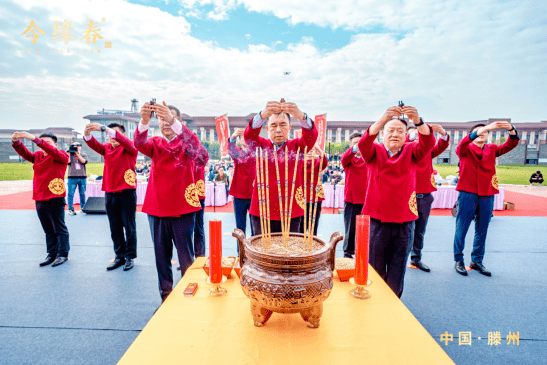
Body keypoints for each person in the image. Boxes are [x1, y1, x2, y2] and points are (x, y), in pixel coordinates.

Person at [358, 105, 434, 298]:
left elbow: (427, 142)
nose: (395, 134)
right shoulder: (374, 152)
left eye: (400, 131)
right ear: (382, 134)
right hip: (377, 222)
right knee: (375, 268)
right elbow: (364, 143)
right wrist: (383, 118)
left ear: (406, 135)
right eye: (390, 130)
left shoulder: (412, 152)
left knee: (397, 269)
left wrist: (417, 120)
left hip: (404, 222)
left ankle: (394, 306)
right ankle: (375, 305)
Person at [135, 101, 205, 302]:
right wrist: (144, 121)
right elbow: (139, 144)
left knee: (186, 259)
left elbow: (203, 156)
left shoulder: (188, 142)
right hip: (157, 209)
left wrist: (173, 120)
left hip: (182, 209)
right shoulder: (156, 143)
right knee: (161, 259)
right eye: (161, 118)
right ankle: (165, 298)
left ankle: (188, 298)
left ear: (178, 121)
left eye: (169, 117)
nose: (164, 122)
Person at [453, 121, 519, 277]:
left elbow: (512, 143)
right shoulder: (465, 148)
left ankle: (476, 261)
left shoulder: (492, 149)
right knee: (461, 228)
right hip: (467, 193)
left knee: (482, 229)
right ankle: (458, 260)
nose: (482, 133)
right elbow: (461, 144)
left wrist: (510, 129)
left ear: (489, 136)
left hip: (487, 193)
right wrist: (487, 127)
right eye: (479, 131)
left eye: (485, 132)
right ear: (472, 134)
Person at [244, 99, 318, 235]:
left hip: (292, 211)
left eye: (283, 124)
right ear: (266, 129)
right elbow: (248, 136)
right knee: (262, 253)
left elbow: (311, 137)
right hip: (262, 210)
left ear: (290, 127)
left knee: (289, 253)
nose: (278, 130)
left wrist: (301, 116)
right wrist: (262, 114)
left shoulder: (297, 147)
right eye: (273, 125)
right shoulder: (260, 145)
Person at [84, 122, 139, 271]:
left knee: (129, 227)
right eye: (110, 134)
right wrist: (87, 133)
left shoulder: (130, 147)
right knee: (115, 227)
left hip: (127, 192)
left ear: (123, 135)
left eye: (115, 133)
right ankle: (119, 256)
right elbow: (92, 143)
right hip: (110, 192)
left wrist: (104, 128)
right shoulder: (107, 148)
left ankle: (130, 256)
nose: (112, 136)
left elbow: (127, 143)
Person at [11, 132, 70, 267]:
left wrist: (35, 139)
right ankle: (51, 253)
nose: (43, 144)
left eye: (47, 142)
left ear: (55, 145)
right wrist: (16, 142)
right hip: (39, 197)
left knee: (59, 228)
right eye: (41, 142)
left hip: (55, 197)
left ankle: (63, 254)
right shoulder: (38, 156)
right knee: (48, 229)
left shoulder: (61, 155)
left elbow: (51, 150)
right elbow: (25, 153)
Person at [406, 124, 450, 272]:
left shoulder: (427, 151)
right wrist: (414, 133)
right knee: (404, 230)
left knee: (419, 231)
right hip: (407, 196)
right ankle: (399, 258)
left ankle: (416, 258)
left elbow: (441, 145)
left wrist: (442, 132)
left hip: (424, 196)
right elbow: (404, 142)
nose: (419, 136)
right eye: (415, 135)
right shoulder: (405, 149)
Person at [341, 132, 368, 258]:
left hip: (368, 200)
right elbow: (344, 158)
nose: (358, 146)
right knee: (350, 229)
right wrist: (357, 147)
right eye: (355, 143)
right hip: (352, 200)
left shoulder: (369, 159)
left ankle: (364, 252)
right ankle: (347, 253)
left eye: (360, 143)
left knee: (366, 229)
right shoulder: (348, 160)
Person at [228, 128, 256, 242]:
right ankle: (241, 255)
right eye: (242, 137)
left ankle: (255, 255)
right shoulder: (238, 152)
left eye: (246, 137)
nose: (244, 139)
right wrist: (233, 137)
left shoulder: (256, 152)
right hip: (239, 195)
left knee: (255, 228)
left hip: (254, 195)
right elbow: (231, 149)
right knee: (240, 229)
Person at [300, 144, 328, 236]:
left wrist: (319, 149)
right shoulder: (298, 162)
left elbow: (325, 162)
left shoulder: (317, 161)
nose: (309, 153)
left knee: (314, 221)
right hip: (301, 196)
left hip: (316, 196)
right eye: (307, 150)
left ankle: (313, 240)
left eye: (312, 150)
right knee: (301, 224)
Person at [67, 142, 88, 215]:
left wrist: (78, 154)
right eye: (74, 146)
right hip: (72, 177)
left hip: (82, 177)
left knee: (82, 193)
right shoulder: (70, 155)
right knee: (70, 194)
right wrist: (69, 153)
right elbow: (68, 162)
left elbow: (84, 161)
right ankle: (70, 209)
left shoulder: (84, 154)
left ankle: (83, 207)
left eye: (78, 145)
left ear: (80, 147)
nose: (76, 147)